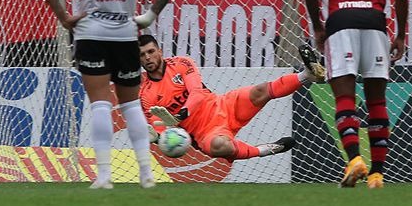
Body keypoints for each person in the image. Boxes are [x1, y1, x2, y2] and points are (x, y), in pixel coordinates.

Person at [38, 0, 178, 190]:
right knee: (130, 106)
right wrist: (150, 15)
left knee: (100, 105)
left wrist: (64, 17)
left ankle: (103, 177)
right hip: (125, 33)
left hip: (91, 33)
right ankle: (146, 174)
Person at [304, 0, 409, 189]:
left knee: (345, 99)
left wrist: (317, 26)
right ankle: (377, 174)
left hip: (341, 23)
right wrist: (400, 34)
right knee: (377, 101)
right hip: (375, 23)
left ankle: (354, 160)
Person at [138, 35, 325, 161]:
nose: (147, 57)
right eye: (142, 55)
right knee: (221, 146)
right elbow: (158, 127)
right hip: (204, 133)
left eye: (151, 51)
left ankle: (307, 75)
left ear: (160, 51)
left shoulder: (181, 63)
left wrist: (181, 114)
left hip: (223, 105)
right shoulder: (145, 94)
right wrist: (158, 138)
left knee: (259, 91)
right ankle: (265, 149)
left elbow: (196, 92)